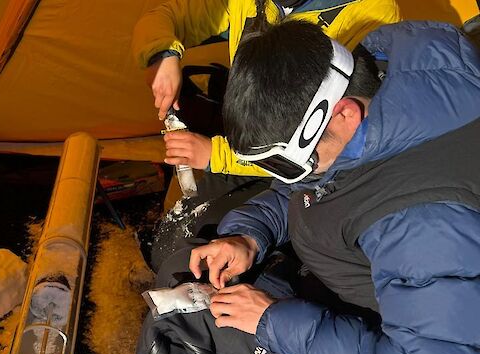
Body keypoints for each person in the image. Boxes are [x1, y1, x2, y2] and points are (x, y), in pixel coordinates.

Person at [136, 19, 480, 354]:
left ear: (344, 113)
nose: (286, 178)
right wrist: (250, 235)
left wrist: (271, 320)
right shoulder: (391, 78)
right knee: (195, 274)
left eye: (288, 164)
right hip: (380, 305)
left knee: (178, 330)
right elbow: (318, 184)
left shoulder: (420, 222)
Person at [133, 0, 401, 272]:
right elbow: (165, 14)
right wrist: (163, 55)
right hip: (246, 143)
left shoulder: (367, 11)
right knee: (171, 239)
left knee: (201, 242)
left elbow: (328, 147)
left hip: (298, 168)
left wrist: (217, 155)